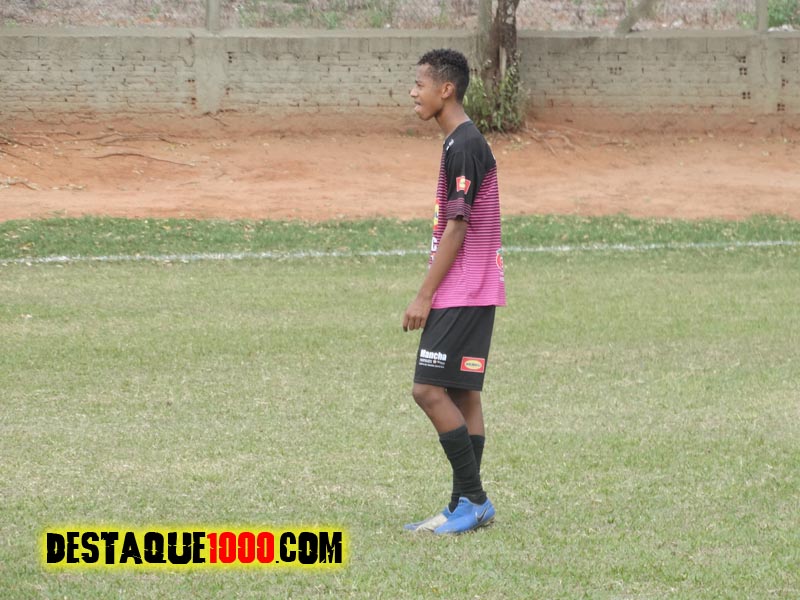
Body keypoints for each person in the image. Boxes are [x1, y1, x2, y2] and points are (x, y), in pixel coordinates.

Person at [402, 48, 506, 535]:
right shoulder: (459, 142)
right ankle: (461, 503)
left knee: (427, 389)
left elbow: (459, 226)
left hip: (462, 290)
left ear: (446, 89)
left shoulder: (463, 145)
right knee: (464, 394)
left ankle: (475, 500)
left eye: (419, 85)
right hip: (477, 288)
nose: (413, 93)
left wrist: (424, 295)